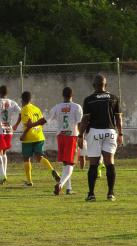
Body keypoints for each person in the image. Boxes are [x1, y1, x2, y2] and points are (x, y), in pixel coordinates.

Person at [78, 74, 123, 202]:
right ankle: (110, 193)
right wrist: (120, 134)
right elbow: (118, 118)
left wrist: (80, 136)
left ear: (93, 85)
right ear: (106, 85)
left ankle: (91, 194)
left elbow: (85, 119)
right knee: (110, 163)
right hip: (110, 132)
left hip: (95, 132)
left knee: (93, 164)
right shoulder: (114, 98)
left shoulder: (89, 99)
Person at [15, 91, 61, 187]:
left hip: (29, 137)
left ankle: (29, 182)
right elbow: (41, 121)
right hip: (39, 136)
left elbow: (28, 123)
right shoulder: (36, 109)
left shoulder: (24, 109)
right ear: (30, 99)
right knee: (40, 157)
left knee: (26, 159)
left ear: (22, 100)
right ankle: (52, 170)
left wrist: (23, 135)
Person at [48, 87, 83, 196]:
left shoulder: (57, 107)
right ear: (72, 95)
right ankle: (61, 184)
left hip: (61, 136)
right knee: (71, 163)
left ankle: (69, 188)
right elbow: (80, 123)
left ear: (62, 95)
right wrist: (81, 136)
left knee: (65, 164)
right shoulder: (76, 107)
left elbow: (48, 119)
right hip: (72, 136)